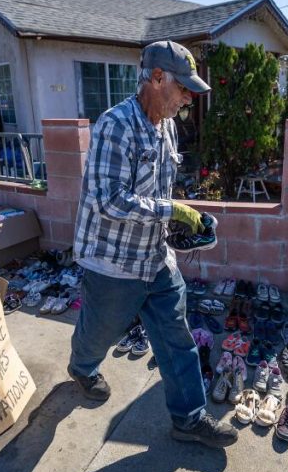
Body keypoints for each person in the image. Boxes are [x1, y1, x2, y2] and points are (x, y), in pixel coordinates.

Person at [67, 40, 238, 448]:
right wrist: (171, 211)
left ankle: (189, 418)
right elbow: (108, 198)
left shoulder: (168, 128)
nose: (187, 98)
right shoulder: (115, 124)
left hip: (155, 258)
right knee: (100, 332)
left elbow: (159, 195)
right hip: (111, 261)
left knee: (177, 337)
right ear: (157, 78)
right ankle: (82, 366)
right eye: (183, 89)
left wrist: (181, 226)